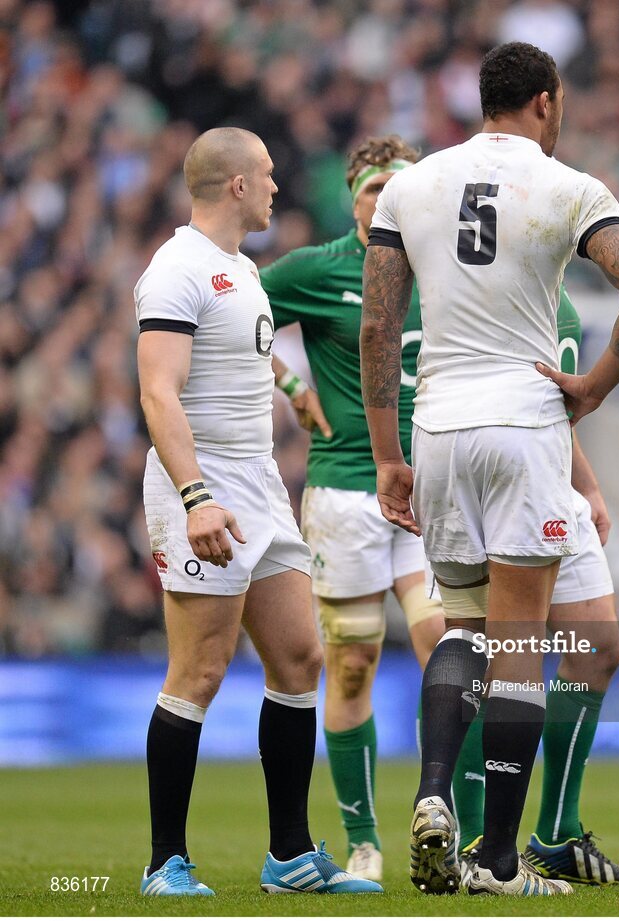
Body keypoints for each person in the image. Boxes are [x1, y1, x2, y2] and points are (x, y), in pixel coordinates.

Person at [360, 41, 619, 897]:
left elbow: (380, 330)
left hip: (438, 425)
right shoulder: (569, 186)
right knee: (524, 643)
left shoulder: (411, 186)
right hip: (524, 419)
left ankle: (431, 795)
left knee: (462, 630)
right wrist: (596, 387)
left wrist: (389, 454)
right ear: (544, 100)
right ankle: (499, 858)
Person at [135, 126, 382, 897]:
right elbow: (157, 390)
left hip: (262, 484)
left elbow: (243, 348)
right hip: (204, 484)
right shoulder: (176, 268)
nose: (279, 187)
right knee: (200, 670)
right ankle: (164, 862)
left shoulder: (239, 269)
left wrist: (289, 385)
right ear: (237, 184)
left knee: (301, 658)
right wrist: (195, 495)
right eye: (269, 175)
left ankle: (290, 856)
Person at [260, 135, 445, 883]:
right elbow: (224, 310)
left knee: (446, 652)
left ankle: (444, 818)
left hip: (434, 492)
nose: (384, 201)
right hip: (344, 490)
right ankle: (363, 838)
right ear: (353, 195)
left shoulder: (444, 269)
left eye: (398, 187)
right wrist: (288, 381)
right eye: (373, 190)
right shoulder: (316, 269)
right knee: (353, 664)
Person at [451, 288, 619, 887]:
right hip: (489, 485)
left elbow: (553, 413)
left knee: (598, 648)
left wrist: (591, 487)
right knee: (490, 652)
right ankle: (474, 836)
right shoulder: (469, 296)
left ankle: (554, 834)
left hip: (553, 485)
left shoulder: (560, 308)